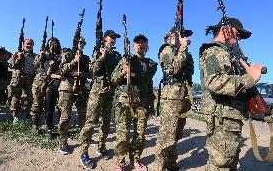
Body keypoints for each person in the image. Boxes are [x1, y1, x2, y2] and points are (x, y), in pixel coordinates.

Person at [199, 18, 263, 170]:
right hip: (222, 118)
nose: (239, 37)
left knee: (229, 162)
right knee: (221, 163)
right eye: (238, 32)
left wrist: (247, 73)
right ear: (224, 29)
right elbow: (215, 82)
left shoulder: (229, 53)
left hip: (230, 117)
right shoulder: (215, 51)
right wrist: (250, 78)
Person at [111, 34, 157, 171]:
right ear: (133, 45)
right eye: (137, 42)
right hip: (125, 102)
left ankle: (135, 160)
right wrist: (122, 72)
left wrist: (151, 103)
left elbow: (148, 83)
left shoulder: (150, 64)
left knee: (140, 135)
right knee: (122, 135)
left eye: (143, 42)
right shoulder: (126, 60)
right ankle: (120, 161)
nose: (140, 44)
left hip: (142, 103)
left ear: (147, 46)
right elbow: (113, 79)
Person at [79, 30, 122, 169]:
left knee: (106, 121)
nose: (114, 39)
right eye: (112, 37)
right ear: (105, 38)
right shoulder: (98, 51)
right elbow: (92, 71)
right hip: (97, 90)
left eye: (115, 38)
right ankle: (84, 153)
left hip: (110, 91)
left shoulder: (116, 55)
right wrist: (102, 57)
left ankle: (101, 146)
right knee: (91, 121)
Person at [154, 26, 194, 171]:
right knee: (166, 135)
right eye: (182, 34)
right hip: (171, 97)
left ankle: (171, 164)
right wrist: (182, 48)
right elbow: (174, 69)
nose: (185, 37)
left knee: (176, 134)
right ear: (173, 36)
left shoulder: (185, 53)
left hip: (183, 95)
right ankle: (159, 167)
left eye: (185, 34)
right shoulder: (166, 49)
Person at [57, 37, 90, 155]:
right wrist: (74, 61)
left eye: (83, 43)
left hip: (81, 88)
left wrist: (82, 73)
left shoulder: (86, 58)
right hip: (67, 87)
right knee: (65, 117)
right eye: (79, 42)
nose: (81, 44)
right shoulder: (68, 55)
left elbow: (90, 73)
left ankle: (83, 138)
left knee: (83, 115)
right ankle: (63, 141)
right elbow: (61, 71)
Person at [30, 37, 62, 139]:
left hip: (55, 83)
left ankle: (59, 127)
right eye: (51, 42)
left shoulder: (59, 55)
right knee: (39, 104)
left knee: (56, 106)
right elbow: (36, 67)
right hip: (42, 82)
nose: (53, 44)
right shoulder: (43, 54)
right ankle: (37, 125)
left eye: (55, 42)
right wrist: (41, 56)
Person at [9, 38, 37, 123]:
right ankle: (15, 117)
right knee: (16, 98)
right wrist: (18, 57)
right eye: (27, 44)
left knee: (31, 98)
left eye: (30, 44)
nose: (28, 45)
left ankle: (28, 117)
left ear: (33, 46)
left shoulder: (35, 56)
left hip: (30, 79)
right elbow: (11, 66)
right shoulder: (16, 54)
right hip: (18, 78)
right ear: (23, 44)